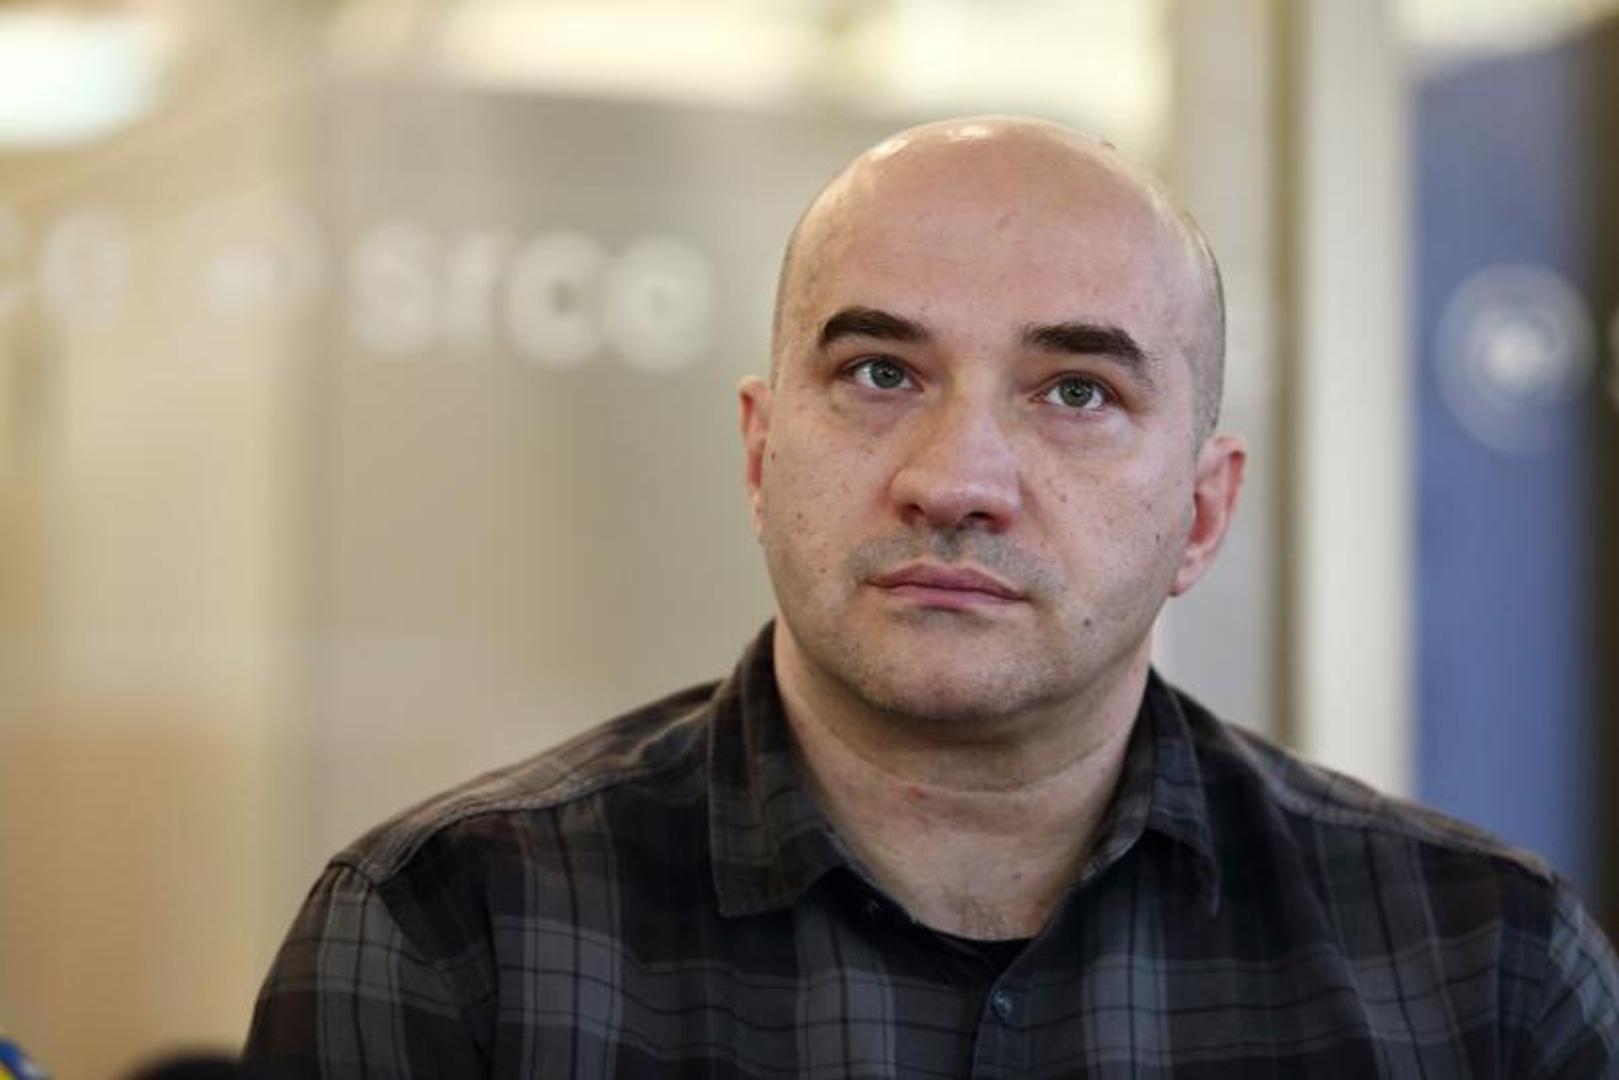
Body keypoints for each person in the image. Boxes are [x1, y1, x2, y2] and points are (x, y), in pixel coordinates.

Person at [245, 117, 1619, 1077]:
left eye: (1076, 391)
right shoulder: (454, 942)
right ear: (759, 452)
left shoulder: (1481, 971)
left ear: (1202, 514)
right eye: (880, 374)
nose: (956, 480)